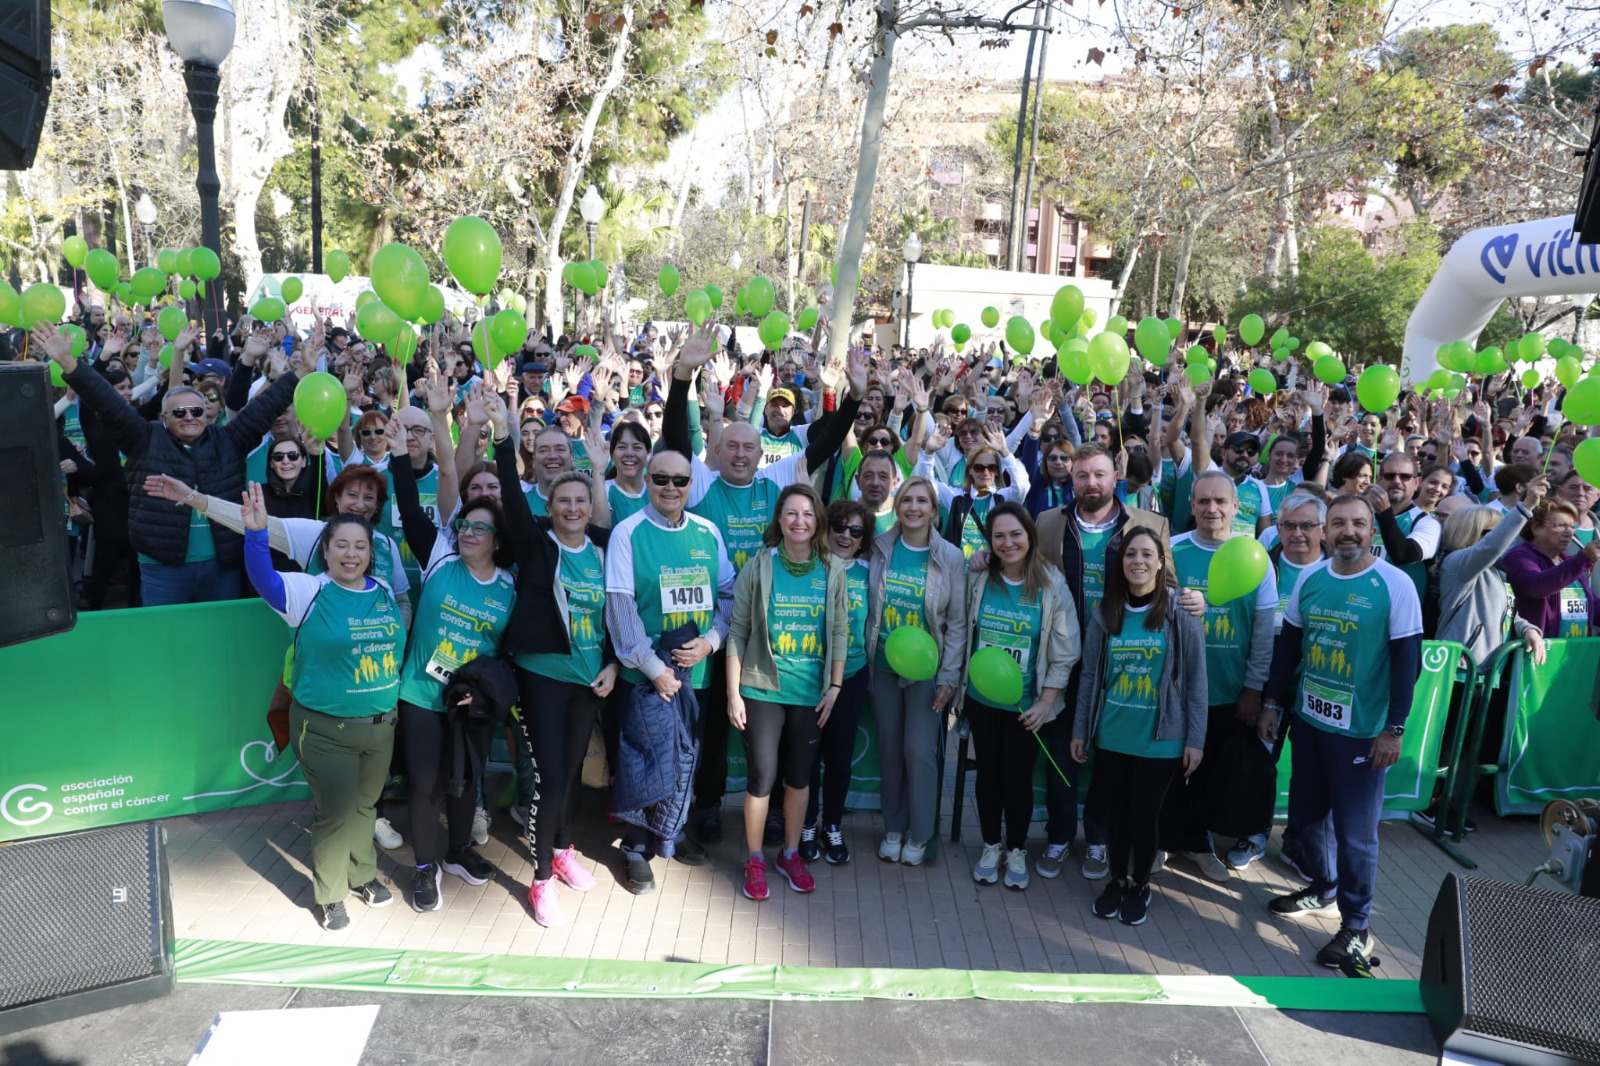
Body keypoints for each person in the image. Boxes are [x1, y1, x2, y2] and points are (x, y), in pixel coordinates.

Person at [38, 319, 310, 606]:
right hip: (163, 566)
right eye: (179, 413)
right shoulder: (143, 438)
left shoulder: (228, 440)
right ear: (164, 418)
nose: (189, 417)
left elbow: (264, 408)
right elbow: (106, 401)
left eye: (196, 410)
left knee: (217, 635)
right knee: (166, 639)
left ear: (206, 413)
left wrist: (302, 371)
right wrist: (69, 363)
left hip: (221, 565)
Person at [1259, 493, 1423, 968]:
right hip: (1310, 724)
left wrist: (1393, 728)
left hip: (1362, 733)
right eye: (1338, 524)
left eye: (1358, 523)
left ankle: (1357, 927)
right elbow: (1289, 649)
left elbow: (1406, 663)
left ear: (1372, 530)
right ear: (1325, 531)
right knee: (1308, 817)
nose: (1348, 531)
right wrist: (1273, 702)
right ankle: (1324, 887)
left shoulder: (1394, 585)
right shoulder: (1310, 578)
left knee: (1356, 833)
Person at [240, 484, 404, 930]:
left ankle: (362, 875)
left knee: (365, 809)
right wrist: (256, 535)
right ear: (326, 551)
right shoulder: (306, 591)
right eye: (341, 546)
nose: (351, 555)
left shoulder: (385, 590)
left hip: (380, 726)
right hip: (326, 730)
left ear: (371, 552)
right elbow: (265, 581)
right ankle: (330, 894)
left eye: (360, 546)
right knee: (334, 813)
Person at [496, 407, 617, 925]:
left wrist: (612, 664)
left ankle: (565, 849)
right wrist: (503, 438)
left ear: (590, 507)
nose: (572, 508)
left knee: (569, 773)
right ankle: (541, 878)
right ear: (549, 504)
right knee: (549, 777)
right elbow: (508, 492)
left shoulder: (603, 549)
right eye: (563, 501)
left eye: (580, 501)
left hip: (589, 680)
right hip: (543, 677)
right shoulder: (536, 543)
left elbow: (619, 614)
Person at [1034, 442, 1172, 880]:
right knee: (1062, 755)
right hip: (1062, 662)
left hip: (1123, 662)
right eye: (1081, 475)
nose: (1090, 483)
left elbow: (1165, 587)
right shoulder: (1048, 523)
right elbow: (1025, 572)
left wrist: (1194, 601)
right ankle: (1058, 836)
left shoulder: (1150, 524)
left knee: (1107, 759)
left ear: (1117, 476)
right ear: (1070, 479)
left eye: (1099, 474)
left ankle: (1097, 838)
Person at [604, 447, 736, 894]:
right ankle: (636, 848)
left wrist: (711, 642)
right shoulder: (628, 533)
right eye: (661, 479)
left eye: (680, 480)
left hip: (696, 675)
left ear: (690, 485)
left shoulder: (708, 532)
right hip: (645, 679)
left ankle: (670, 833)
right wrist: (655, 668)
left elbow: (729, 596)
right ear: (646, 478)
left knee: (685, 762)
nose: (671, 488)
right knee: (644, 764)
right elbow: (621, 611)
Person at [1070, 528, 1206, 926]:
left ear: (1162, 562)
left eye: (1147, 554)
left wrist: (1196, 740)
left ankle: (1140, 884)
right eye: (1131, 554)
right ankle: (1116, 880)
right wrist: (1081, 730)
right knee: (1116, 814)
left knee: (1145, 815)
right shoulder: (1105, 612)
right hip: (1112, 733)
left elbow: (1196, 681)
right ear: (1121, 563)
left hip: (1161, 739)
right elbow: (1091, 677)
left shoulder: (1181, 612)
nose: (1138, 561)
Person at [393, 495, 516, 913]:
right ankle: (425, 867)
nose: (468, 532)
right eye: (464, 524)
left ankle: (458, 851)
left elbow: (504, 652)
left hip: (469, 702)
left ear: (497, 540)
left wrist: (480, 693)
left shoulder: (508, 586)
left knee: (465, 781)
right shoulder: (441, 560)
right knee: (426, 784)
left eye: (480, 528)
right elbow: (420, 502)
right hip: (421, 695)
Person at [726, 485, 849, 900]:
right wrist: (733, 693)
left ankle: (790, 854)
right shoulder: (760, 565)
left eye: (808, 514)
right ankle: (757, 859)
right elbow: (737, 631)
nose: (799, 521)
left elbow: (838, 630)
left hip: (810, 694)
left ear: (818, 522)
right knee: (762, 776)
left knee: (799, 778)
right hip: (761, 688)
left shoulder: (832, 571)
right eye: (791, 513)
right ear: (779, 520)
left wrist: (835, 686)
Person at [960, 503, 1080, 890]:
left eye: (1015, 534)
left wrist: (1045, 703)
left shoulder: (1051, 583)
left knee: (1017, 778)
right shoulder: (979, 576)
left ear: (1030, 536)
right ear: (989, 541)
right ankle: (991, 845)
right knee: (988, 775)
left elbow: (1065, 651)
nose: (1007, 543)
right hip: (981, 699)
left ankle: (1016, 849)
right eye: (998, 536)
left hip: (1026, 705)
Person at [1164, 472, 1276, 880]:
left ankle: (1198, 844)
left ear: (1235, 507)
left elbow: (1263, 632)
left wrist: (1253, 688)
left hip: (1230, 690)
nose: (1212, 509)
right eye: (1203, 501)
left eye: (1220, 502)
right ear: (1191, 505)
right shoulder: (1172, 550)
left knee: (1212, 775)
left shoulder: (1256, 558)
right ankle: (1167, 840)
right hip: (1175, 687)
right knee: (1172, 771)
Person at [866, 475, 968, 865]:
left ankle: (922, 833)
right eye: (906, 499)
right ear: (897, 505)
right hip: (883, 665)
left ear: (933, 510)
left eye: (921, 501)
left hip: (928, 671)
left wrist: (948, 676)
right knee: (890, 749)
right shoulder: (879, 547)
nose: (913, 507)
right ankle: (894, 826)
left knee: (919, 750)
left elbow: (957, 623)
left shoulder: (950, 557)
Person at [799, 498, 875, 865]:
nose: (846, 535)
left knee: (840, 756)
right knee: (808, 756)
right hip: (811, 674)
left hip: (851, 676)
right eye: (839, 527)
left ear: (864, 539)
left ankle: (831, 825)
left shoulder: (870, 572)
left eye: (856, 531)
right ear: (825, 529)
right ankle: (806, 825)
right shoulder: (809, 566)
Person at [1502, 498, 1600, 639]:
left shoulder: (1566, 561)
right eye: (1560, 525)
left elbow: (1594, 607)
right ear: (1535, 527)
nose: (1569, 532)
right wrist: (1583, 559)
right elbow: (1536, 586)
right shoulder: (1519, 557)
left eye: (1572, 526)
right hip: (1539, 654)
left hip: (1576, 655)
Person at [1367, 451, 1442, 601]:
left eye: (1405, 477)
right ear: (1379, 479)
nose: (1396, 481)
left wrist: (1384, 511)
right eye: (1389, 476)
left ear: (1416, 483)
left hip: (1400, 612)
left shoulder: (1427, 524)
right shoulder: (1362, 515)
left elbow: (1404, 555)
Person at [606, 419, 653, 523]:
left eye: (637, 448)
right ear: (612, 454)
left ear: (648, 454)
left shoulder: (656, 490)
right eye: (622, 447)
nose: (629, 453)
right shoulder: (605, 490)